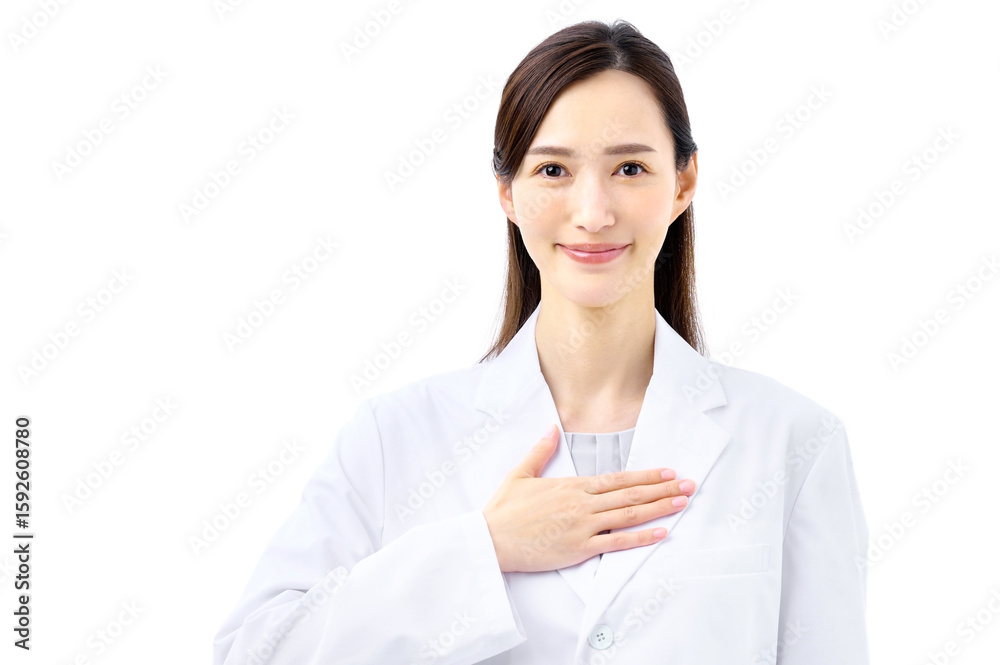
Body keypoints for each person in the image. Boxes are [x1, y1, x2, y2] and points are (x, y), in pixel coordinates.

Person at [213, 19, 870, 664]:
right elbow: (255, 652)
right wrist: (483, 548)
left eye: (631, 168)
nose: (593, 213)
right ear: (507, 190)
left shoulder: (793, 442)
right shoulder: (395, 437)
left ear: (684, 182)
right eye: (553, 169)